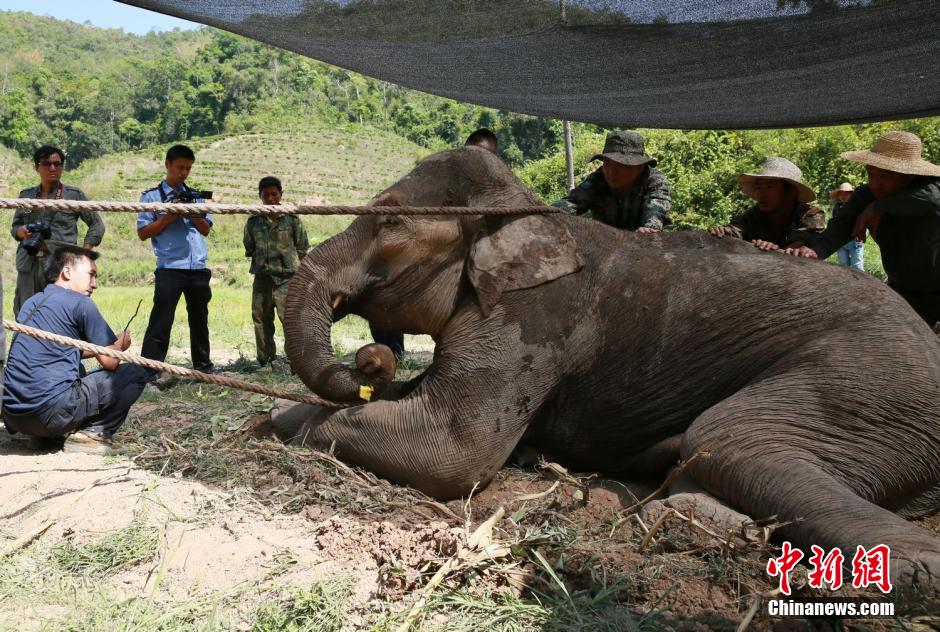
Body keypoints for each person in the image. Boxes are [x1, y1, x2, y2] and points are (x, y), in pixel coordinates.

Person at [1, 246, 150, 453]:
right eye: (91, 275)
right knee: (135, 373)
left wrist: (103, 346)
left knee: (74, 368)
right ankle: (91, 434)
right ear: (67, 272)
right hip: (48, 414)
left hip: (14, 416)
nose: (95, 284)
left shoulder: (32, 302)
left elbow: (59, 351)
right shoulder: (81, 303)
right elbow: (110, 362)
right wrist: (120, 344)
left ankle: (41, 437)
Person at [782, 131, 940, 326]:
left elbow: (934, 199)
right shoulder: (867, 194)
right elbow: (841, 225)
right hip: (904, 291)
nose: (874, 183)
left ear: (909, 176)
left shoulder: (931, 189)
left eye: (884, 175)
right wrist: (815, 251)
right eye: (870, 173)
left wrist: (878, 207)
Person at [137, 144, 214, 373]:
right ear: (167, 165)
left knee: (200, 320)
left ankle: (203, 368)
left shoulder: (195, 197)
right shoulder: (151, 197)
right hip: (169, 267)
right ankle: (150, 370)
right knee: (161, 320)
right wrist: (170, 216)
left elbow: (205, 229)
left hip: (197, 266)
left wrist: (190, 210)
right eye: (180, 167)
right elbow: (143, 233)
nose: (184, 173)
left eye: (188, 168)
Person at [10, 145, 105, 316]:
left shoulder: (74, 195)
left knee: (61, 313)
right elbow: (15, 227)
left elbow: (97, 225)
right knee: (25, 312)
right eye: (47, 163)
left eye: (57, 164)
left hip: (60, 264)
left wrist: (83, 253)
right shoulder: (26, 196)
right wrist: (21, 231)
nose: (53, 168)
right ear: (37, 167)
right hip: (29, 264)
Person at [244, 176, 309, 366]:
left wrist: (303, 277)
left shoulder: (291, 218)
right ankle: (266, 360)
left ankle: (296, 361)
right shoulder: (253, 220)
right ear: (260, 196)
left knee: (290, 320)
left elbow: (303, 247)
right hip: (262, 278)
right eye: (266, 195)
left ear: (281, 194)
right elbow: (249, 247)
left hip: (287, 279)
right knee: (261, 320)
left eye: (274, 194)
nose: (271, 198)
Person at [553, 130, 672, 233]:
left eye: (620, 165)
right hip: (605, 247)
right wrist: (546, 213)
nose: (611, 172)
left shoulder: (654, 180)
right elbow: (573, 202)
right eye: (607, 164)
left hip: (641, 246)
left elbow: (657, 206)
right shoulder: (598, 179)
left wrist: (650, 227)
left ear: (640, 167)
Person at [709, 157, 825, 249]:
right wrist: (725, 232)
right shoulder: (753, 215)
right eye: (759, 187)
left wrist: (774, 251)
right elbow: (737, 228)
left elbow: (799, 244)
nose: (761, 194)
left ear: (791, 192)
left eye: (770, 187)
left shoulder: (811, 215)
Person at [829, 182, 864, 271]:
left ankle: (859, 284)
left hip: (855, 240)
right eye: (841, 193)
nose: (843, 196)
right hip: (840, 240)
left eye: (846, 193)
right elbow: (834, 221)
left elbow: (862, 222)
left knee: (857, 266)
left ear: (851, 194)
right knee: (843, 265)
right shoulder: (837, 207)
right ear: (838, 195)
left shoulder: (857, 207)